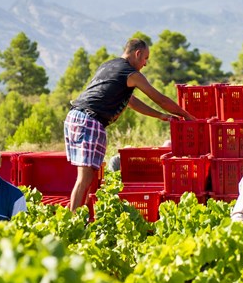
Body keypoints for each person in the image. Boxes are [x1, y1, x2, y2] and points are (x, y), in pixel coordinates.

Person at [64, 38, 195, 210]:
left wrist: (161, 116)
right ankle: (71, 223)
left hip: (75, 117)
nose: (145, 64)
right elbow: (159, 99)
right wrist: (187, 115)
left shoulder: (109, 66)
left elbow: (131, 101)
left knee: (89, 176)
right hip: (90, 120)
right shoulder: (131, 74)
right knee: (84, 178)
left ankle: (75, 217)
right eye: (145, 58)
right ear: (137, 53)